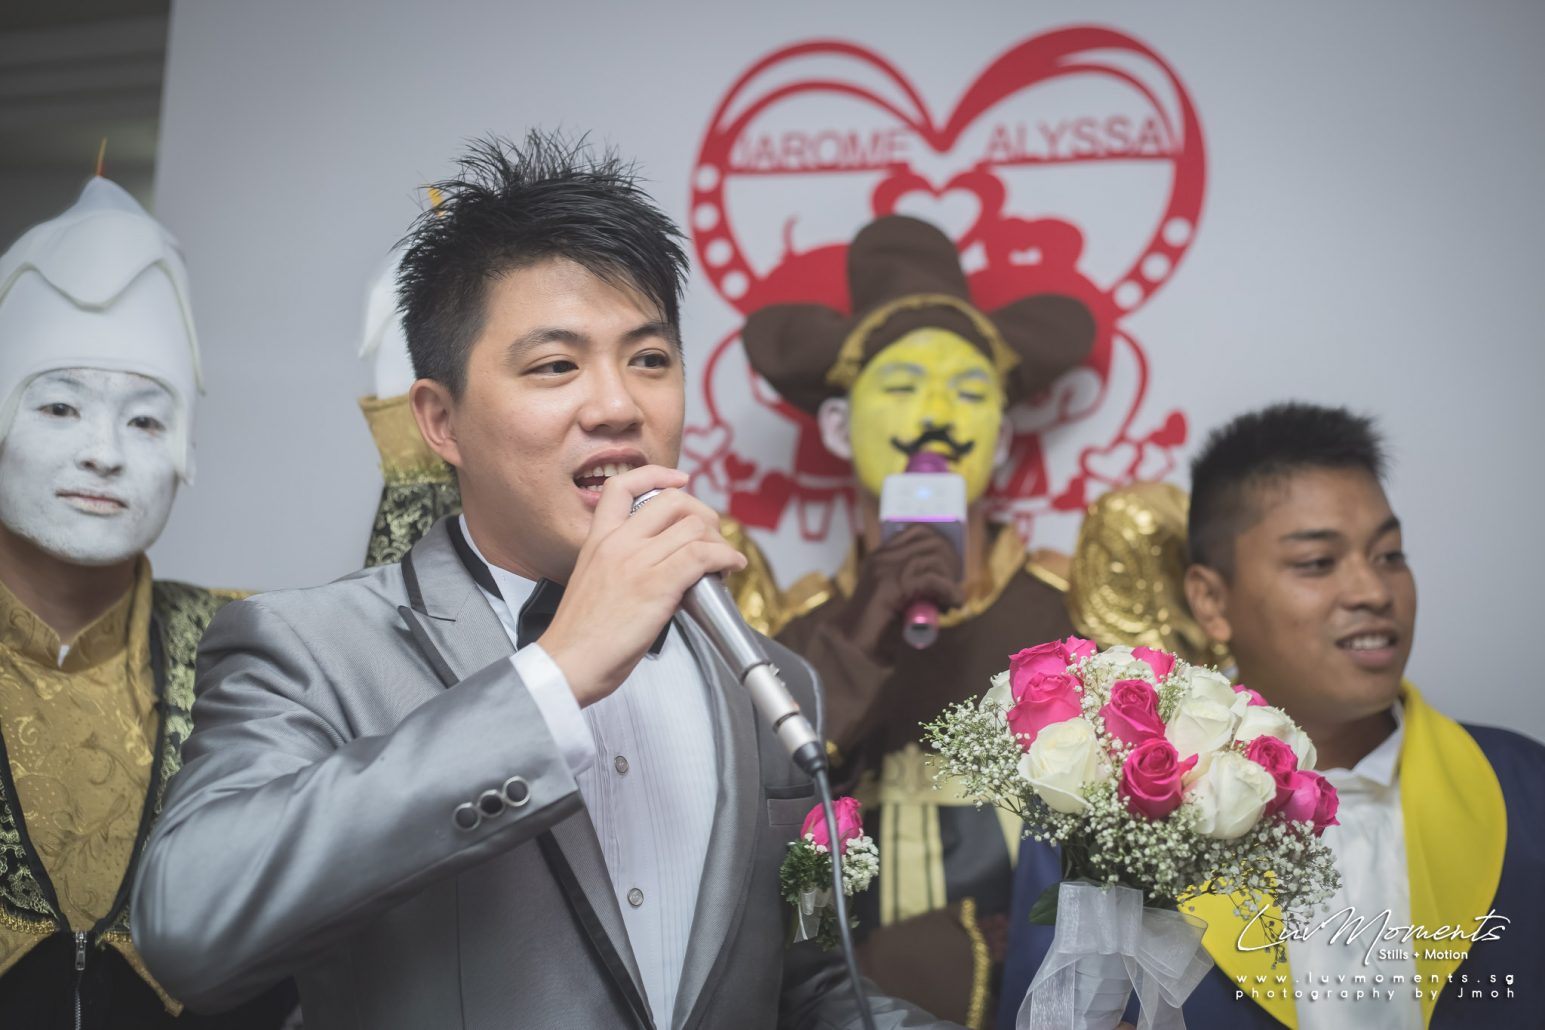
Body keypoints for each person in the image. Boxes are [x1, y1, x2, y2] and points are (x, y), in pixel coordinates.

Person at [130, 133, 957, 1030]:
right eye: (556, 366)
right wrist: (554, 678)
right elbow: (189, 927)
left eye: (649, 359)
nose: (618, 406)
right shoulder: (312, 650)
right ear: (440, 421)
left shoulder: (768, 679)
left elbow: (805, 990)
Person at [1000, 402, 1545, 1028]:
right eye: (1317, 563)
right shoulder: (1102, 807)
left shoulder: (1523, 789)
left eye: (1390, 555)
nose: (1373, 592)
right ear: (1211, 600)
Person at [741, 215, 1095, 1025]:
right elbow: (746, 839)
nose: (936, 415)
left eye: (968, 394)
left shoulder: (1073, 614)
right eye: (902, 389)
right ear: (837, 426)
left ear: (1001, 437)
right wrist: (856, 634)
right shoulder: (786, 637)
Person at [0, 177, 297, 1027]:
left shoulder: (247, 646)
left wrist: (413, 467)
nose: (104, 454)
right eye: (60, 406)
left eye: (144, 421)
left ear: (184, 454)